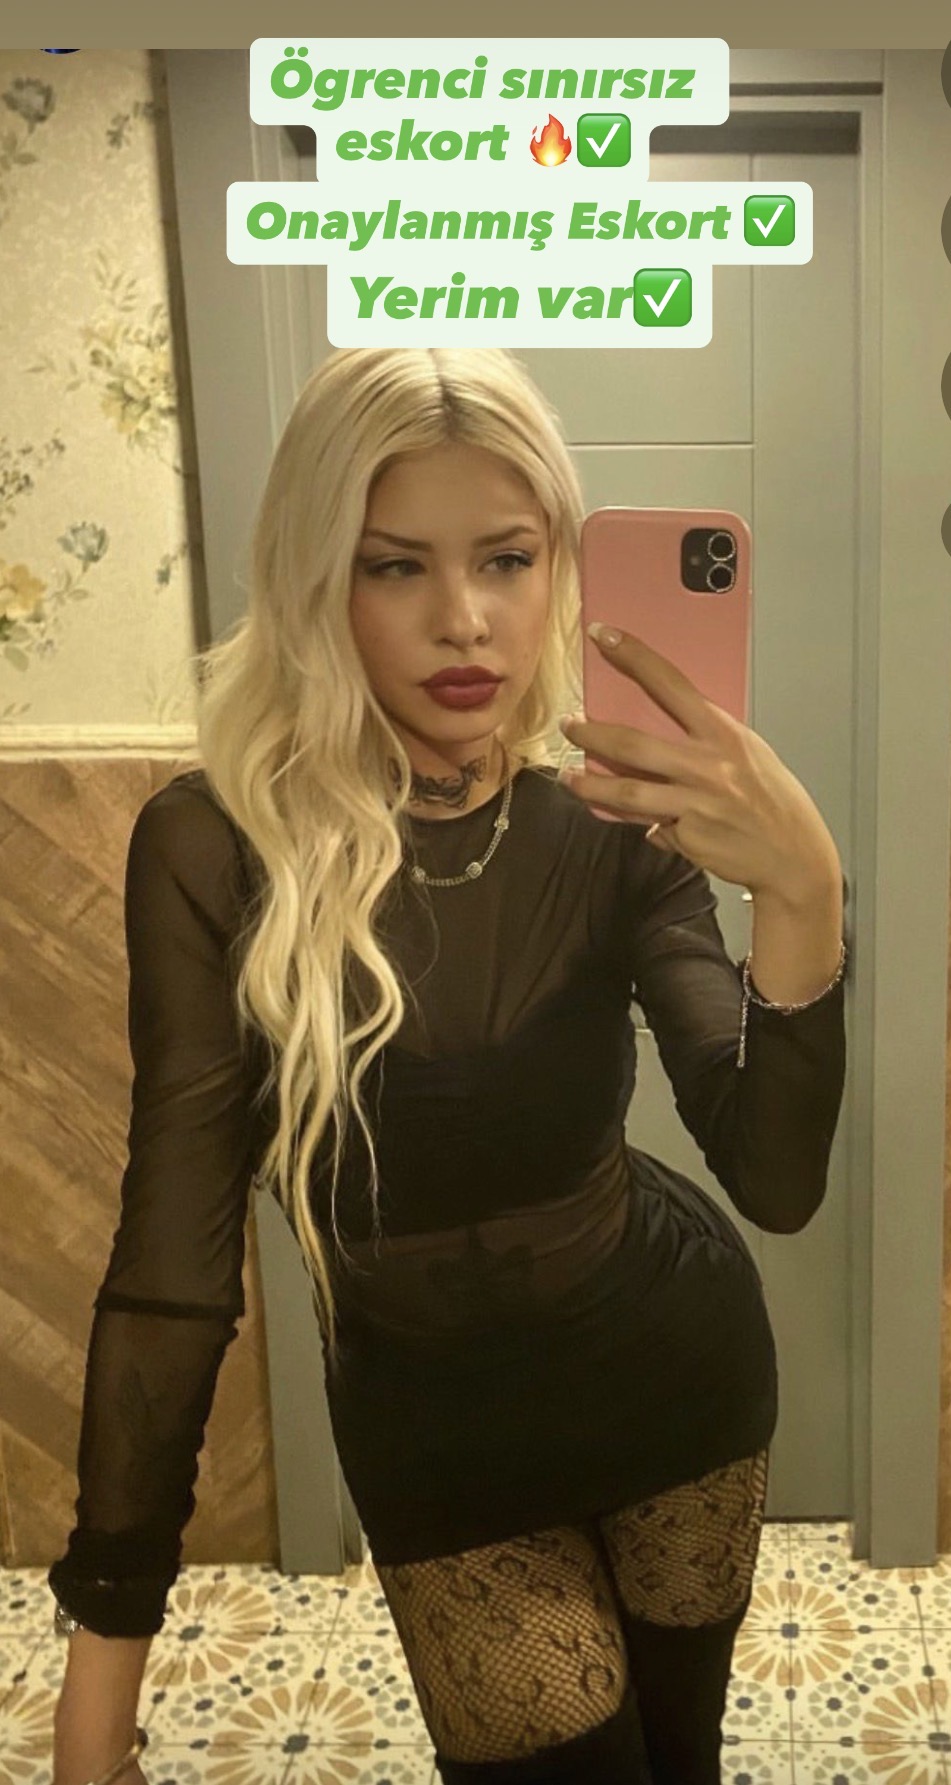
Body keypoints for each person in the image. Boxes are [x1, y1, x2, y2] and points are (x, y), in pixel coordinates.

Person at [50, 347, 848, 1785]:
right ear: (316, 580)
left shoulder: (612, 824)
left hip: (677, 1377)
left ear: (559, 571)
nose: (464, 617)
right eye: (395, 565)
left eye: (506, 558)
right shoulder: (213, 849)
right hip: (439, 1441)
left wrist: (805, 899)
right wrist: (101, 1682)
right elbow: (173, 1265)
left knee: (682, 1760)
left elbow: (775, 1177)